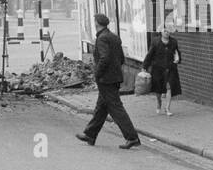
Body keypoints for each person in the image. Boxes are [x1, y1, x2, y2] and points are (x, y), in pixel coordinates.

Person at [76, 13, 142, 149]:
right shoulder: (114, 37)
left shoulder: (102, 39)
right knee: (101, 107)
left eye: (94, 22)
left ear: (97, 24)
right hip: (115, 77)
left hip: (106, 79)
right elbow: (121, 59)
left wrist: (97, 73)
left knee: (116, 108)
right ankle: (90, 134)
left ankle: (132, 137)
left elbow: (104, 58)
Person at [142, 26, 183, 115]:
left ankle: (167, 108)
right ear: (161, 31)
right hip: (158, 68)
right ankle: (159, 102)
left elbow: (177, 53)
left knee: (169, 87)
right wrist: (145, 66)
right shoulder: (155, 41)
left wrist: (178, 59)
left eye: (168, 31)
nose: (167, 32)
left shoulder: (173, 42)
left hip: (170, 68)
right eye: (165, 31)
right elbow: (150, 54)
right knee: (158, 89)